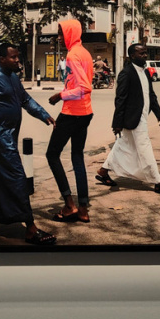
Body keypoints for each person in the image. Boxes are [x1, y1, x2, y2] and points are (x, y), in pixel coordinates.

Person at [0, 43, 57, 245]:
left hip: (10, 135)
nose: (18, 60)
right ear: (1, 59)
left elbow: (26, 100)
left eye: (18, 57)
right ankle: (30, 228)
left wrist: (44, 115)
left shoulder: (13, 78)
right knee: (18, 177)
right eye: (13, 57)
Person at [96, 43, 160, 196]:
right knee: (144, 147)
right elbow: (120, 100)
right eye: (141, 53)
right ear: (132, 56)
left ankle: (103, 171)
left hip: (142, 116)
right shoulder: (126, 73)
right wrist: (117, 123)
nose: (144, 55)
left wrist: (158, 112)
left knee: (122, 145)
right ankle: (158, 182)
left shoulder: (146, 72)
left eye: (145, 53)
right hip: (132, 118)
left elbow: (150, 94)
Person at [45, 20, 94, 223]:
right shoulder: (85, 52)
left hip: (73, 112)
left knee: (52, 155)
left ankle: (69, 205)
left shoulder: (73, 54)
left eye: (61, 33)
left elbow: (84, 87)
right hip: (85, 112)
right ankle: (82, 208)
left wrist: (60, 95)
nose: (59, 37)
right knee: (77, 156)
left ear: (70, 33)